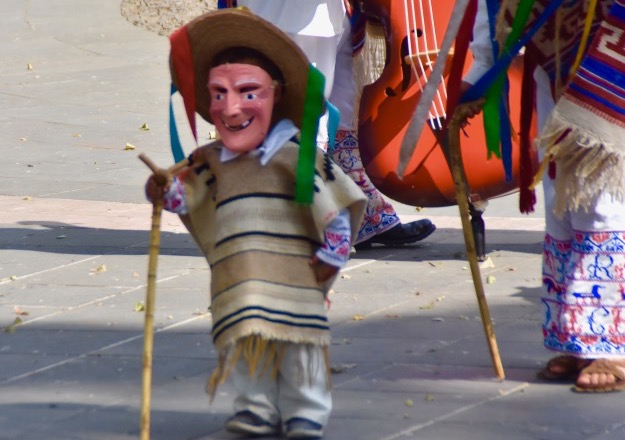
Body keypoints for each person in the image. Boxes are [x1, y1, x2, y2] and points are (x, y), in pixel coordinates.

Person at [145, 9, 367, 438]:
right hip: (242, 278)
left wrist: (333, 251)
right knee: (248, 340)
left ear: (276, 94)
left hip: (296, 276)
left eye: (248, 93)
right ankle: (256, 407)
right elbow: (187, 197)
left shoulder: (296, 158)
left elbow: (335, 205)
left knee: (299, 346)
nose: (231, 108)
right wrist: (164, 192)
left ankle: (306, 409)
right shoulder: (208, 162)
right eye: (218, 94)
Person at [464, 0, 625, 392]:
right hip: (556, 65)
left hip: (611, 57)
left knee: (602, 201)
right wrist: (481, 72)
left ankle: (613, 344)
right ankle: (579, 335)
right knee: (563, 201)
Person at [219, 0, 436, 250]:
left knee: (341, 112)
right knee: (310, 113)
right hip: (296, 15)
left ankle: (362, 214)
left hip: (328, 13)